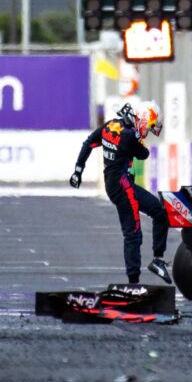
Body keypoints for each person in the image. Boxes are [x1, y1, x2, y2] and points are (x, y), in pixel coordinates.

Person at [70, 101, 171, 285]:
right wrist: (140, 138)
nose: (147, 132)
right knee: (133, 233)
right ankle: (133, 283)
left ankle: (158, 259)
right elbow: (144, 154)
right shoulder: (129, 136)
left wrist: (78, 170)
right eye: (148, 127)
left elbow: (88, 143)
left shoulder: (111, 125)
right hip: (122, 186)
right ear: (141, 120)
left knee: (159, 211)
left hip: (119, 184)